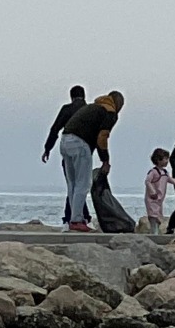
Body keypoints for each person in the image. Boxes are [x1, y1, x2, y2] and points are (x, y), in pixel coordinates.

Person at [59, 91, 124, 231]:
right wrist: (105, 160)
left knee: (73, 183)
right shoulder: (110, 112)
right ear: (118, 103)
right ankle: (76, 221)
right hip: (79, 143)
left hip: (64, 141)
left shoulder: (93, 107)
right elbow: (102, 137)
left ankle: (74, 219)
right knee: (83, 183)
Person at [42, 84, 89, 225]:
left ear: (71, 97)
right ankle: (78, 217)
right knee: (81, 185)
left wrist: (47, 148)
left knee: (72, 184)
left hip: (67, 149)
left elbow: (55, 128)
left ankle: (71, 217)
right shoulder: (88, 110)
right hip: (83, 149)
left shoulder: (66, 109)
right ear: (84, 96)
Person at [144, 150, 175, 235]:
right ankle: (154, 233)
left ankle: (155, 232)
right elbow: (147, 181)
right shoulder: (153, 172)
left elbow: (171, 180)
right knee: (153, 216)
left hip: (159, 200)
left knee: (158, 215)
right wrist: (152, 192)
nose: (167, 161)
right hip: (152, 199)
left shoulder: (165, 172)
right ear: (158, 159)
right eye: (165, 159)